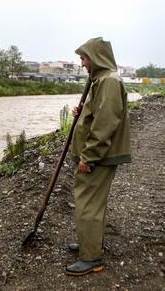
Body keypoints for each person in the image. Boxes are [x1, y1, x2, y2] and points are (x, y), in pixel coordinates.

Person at [65, 37, 131, 276]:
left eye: (84, 58)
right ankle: (90, 244)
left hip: (98, 156)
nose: (82, 63)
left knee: (87, 203)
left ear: (96, 57)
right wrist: (83, 112)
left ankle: (91, 257)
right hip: (99, 155)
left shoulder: (109, 82)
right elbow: (98, 113)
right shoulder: (102, 81)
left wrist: (89, 156)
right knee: (92, 203)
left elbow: (106, 123)